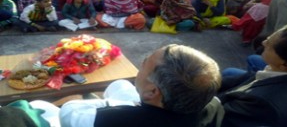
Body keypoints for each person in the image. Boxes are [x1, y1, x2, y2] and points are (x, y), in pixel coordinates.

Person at [60, 44, 222, 127]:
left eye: (145, 63)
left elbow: (67, 114)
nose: (141, 65)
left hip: (137, 113)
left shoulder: (111, 120)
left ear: (152, 92)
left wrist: (113, 105)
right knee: (120, 84)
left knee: (44, 106)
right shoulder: (213, 104)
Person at [219, 22, 287, 127]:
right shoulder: (280, 70)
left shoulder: (262, 104)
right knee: (229, 73)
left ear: (285, 64)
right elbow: (254, 77)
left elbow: (214, 116)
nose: (264, 42)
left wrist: (198, 89)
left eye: (270, 44)